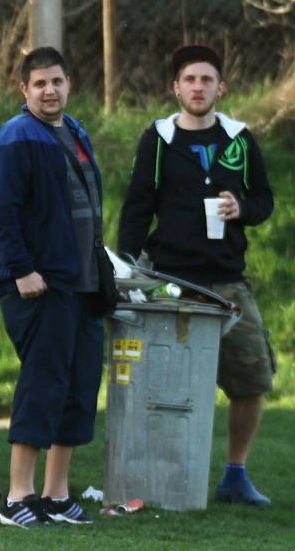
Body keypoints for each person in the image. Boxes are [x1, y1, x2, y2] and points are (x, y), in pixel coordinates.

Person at [118, 44, 275, 507]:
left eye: (207, 80)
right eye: (190, 80)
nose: (198, 87)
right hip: (170, 282)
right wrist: (126, 271)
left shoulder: (240, 139)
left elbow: (264, 200)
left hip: (228, 280)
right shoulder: (159, 139)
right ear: (176, 88)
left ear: (220, 87)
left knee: (253, 380)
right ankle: (164, 478)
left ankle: (235, 474)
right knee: (166, 385)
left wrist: (240, 208)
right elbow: (136, 208)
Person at [0, 47, 105, 528]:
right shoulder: (15, 137)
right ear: (24, 90)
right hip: (39, 283)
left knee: (79, 384)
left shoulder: (74, 131)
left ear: (69, 83)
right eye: (39, 84)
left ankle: (57, 495)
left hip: (83, 283)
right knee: (43, 383)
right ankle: (18, 497)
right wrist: (21, 269)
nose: (50, 90)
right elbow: (1, 213)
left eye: (56, 81)